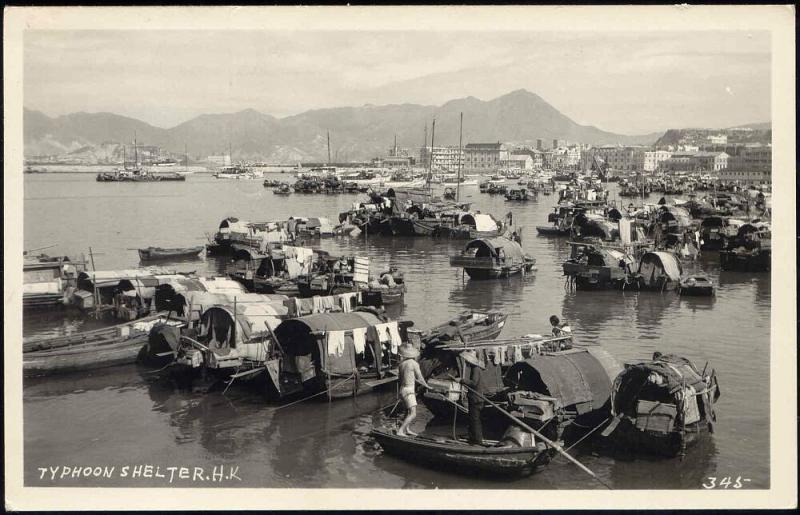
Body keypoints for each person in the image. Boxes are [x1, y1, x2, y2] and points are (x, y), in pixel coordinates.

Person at [396, 343, 431, 437]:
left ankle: (407, 429)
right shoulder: (414, 364)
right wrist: (427, 386)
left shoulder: (401, 364)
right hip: (409, 391)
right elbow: (420, 378)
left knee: (407, 411)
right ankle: (400, 431)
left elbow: (401, 378)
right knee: (413, 413)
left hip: (402, 389)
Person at [460, 349, 488, 445]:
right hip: (476, 398)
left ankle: (477, 440)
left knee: (475, 420)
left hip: (476, 399)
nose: (466, 362)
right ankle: (473, 438)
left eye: (467, 360)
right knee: (472, 419)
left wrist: (462, 380)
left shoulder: (475, 369)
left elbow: (474, 383)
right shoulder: (475, 369)